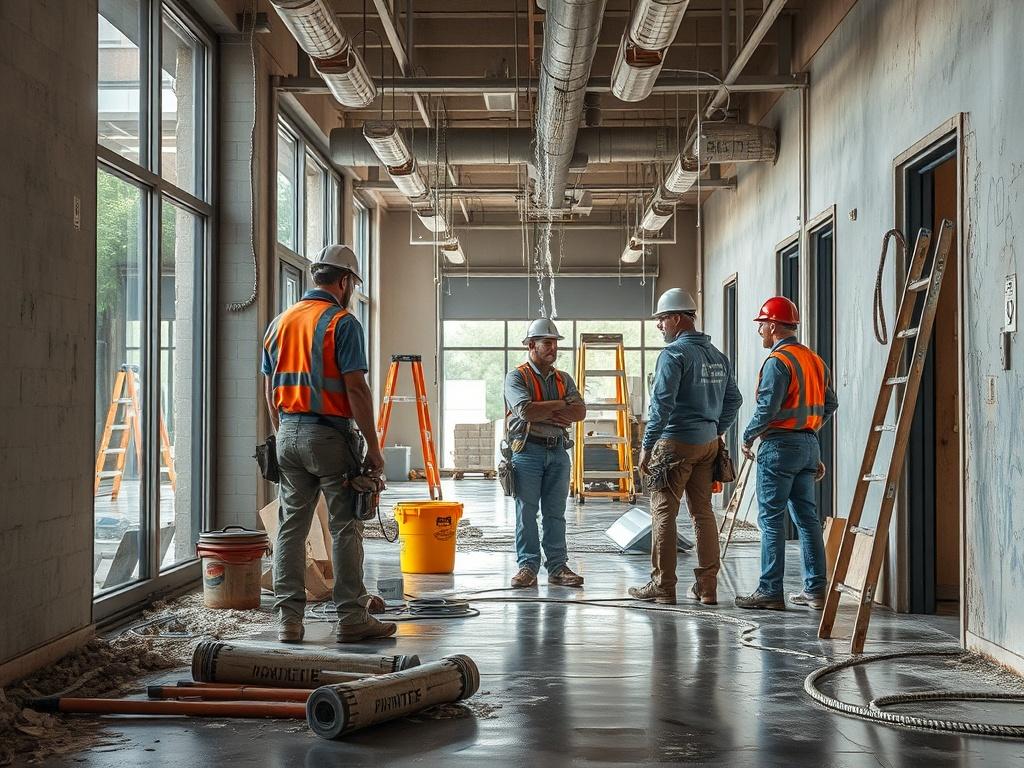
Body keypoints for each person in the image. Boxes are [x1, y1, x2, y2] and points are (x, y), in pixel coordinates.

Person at [261, 245, 396, 643]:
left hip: (287, 433)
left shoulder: (279, 323)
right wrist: (373, 446)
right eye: (353, 283)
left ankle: (288, 620)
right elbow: (357, 388)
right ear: (344, 281)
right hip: (329, 436)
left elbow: (270, 389)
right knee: (345, 527)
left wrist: (283, 430)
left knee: (290, 528)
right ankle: (352, 618)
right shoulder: (342, 322)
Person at [629, 289, 742, 606]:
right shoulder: (718, 356)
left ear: (678, 318)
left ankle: (663, 585)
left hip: (675, 444)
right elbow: (734, 399)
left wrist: (646, 447)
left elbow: (661, 406)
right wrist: (714, 429)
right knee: (703, 514)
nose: (659, 326)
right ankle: (707, 588)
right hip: (707, 444)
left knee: (663, 512)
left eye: (662, 319)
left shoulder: (674, 355)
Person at [735, 296, 839, 611]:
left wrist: (748, 435)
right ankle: (816, 592)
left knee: (770, 519)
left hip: (779, 447)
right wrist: (807, 432)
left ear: (775, 325)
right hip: (808, 446)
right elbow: (830, 403)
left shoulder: (778, 362)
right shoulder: (815, 361)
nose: (760, 331)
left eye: (762, 324)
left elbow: (767, 408)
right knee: (808, 521)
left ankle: (769, 591)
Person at [503, 318, 588, 589]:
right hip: (527, 451)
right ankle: (528, 566)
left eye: (555, 343)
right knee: (526, 512)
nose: (553, 348)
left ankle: (557, 567)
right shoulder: (517, 377)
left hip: (558, 452)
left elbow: (580, 412)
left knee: (555, 513)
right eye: (547, 343)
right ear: (531, 345)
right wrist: (562, 406)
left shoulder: (564, 378)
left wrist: (546, 409)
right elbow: (525, 411)